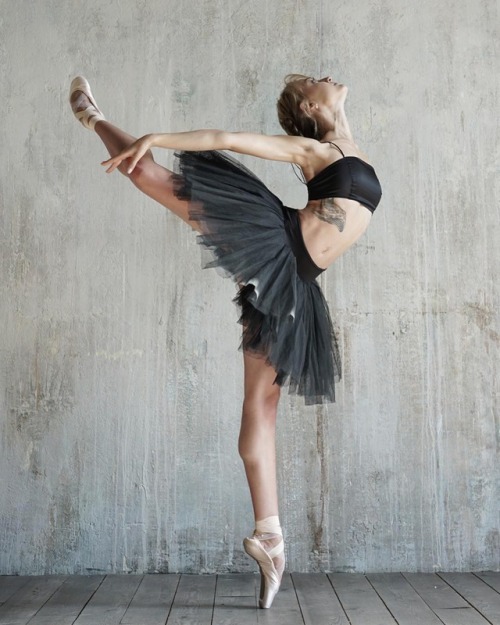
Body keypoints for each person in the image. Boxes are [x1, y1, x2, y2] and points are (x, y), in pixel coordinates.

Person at [69, 73, 382, 608]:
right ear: (310, 104)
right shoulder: (312, 148)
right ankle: (91, 116)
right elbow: (226, 140)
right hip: (274, 240)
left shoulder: (349, 147)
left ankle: (272, 540)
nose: (326, 77)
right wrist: (156, 136)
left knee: (260, 410)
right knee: (148, 172)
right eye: (314, 80)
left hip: (296, 282)